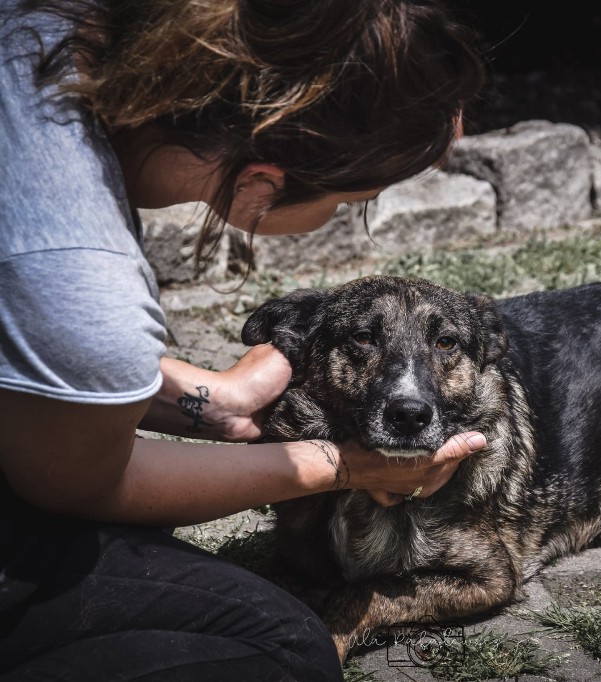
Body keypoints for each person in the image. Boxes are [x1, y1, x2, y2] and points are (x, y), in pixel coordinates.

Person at [0, 0, 487, 679]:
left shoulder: (41, 28)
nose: (342, 216)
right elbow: (79, 479)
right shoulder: (79, 264)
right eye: (349, 202)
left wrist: (216, 399)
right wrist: (344, 466)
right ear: (262, 185)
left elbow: (27, 345)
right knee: (284, 645)